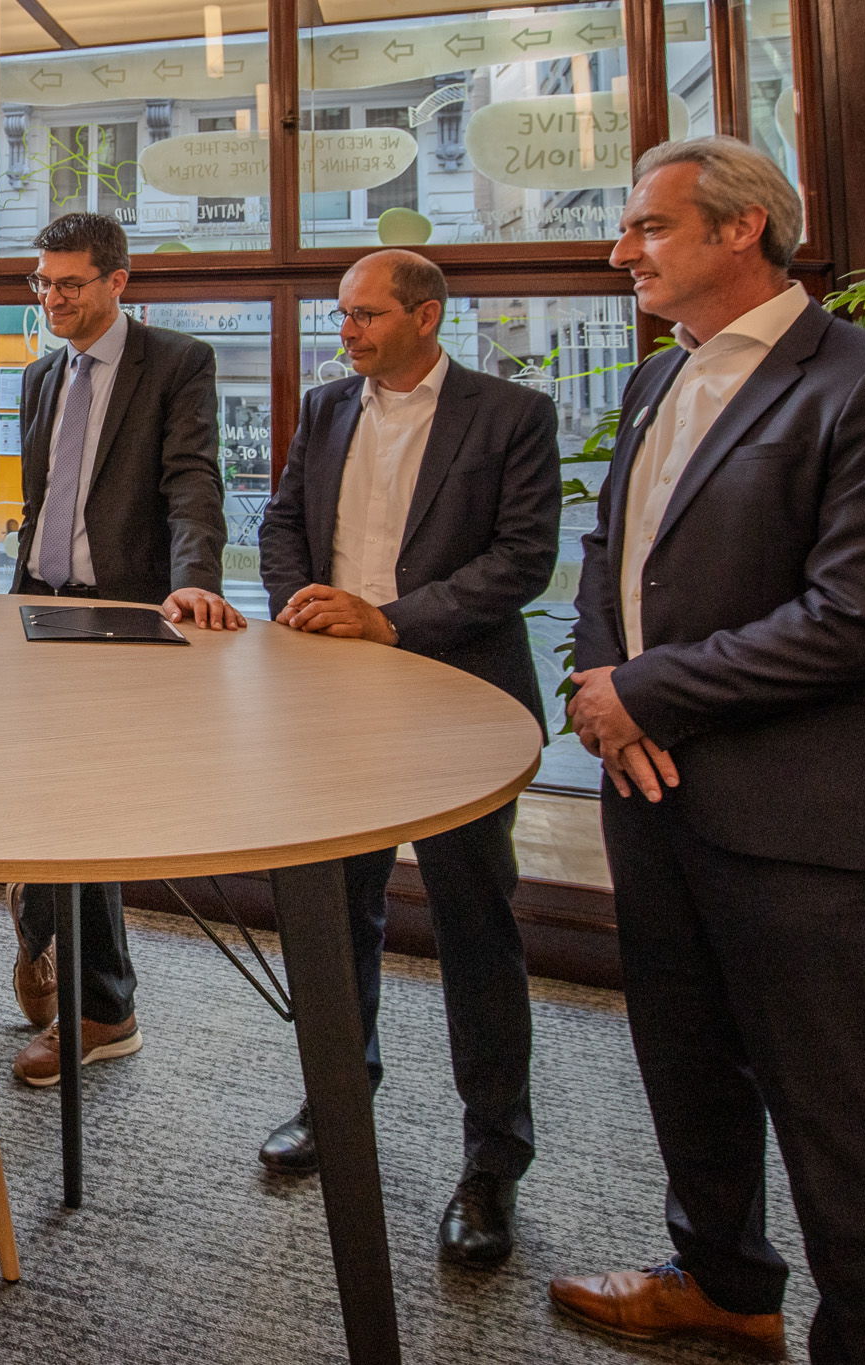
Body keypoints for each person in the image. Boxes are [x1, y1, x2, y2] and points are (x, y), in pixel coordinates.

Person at [551, 137, 865, 1363]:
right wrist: (591, 689)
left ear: (741, 230)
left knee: (846, 1126)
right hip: (651, 793)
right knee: (686, 1073)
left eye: (647, 227)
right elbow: (611, 565)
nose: (620, 250)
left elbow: (860, 619)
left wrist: (646, 691)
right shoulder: (649, 381)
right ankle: (723, 1283)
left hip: (804, 817)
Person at [255, 249, 560, 1265]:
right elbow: (282, 524)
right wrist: (305, 607)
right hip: (332, 702)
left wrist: (383, 619)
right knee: (335, 913)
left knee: (475, 926)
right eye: (342, 316)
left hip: (458, 702)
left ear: (426, 317)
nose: (345, 332)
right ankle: (337, 1100)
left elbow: (519, 560)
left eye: (364, 316)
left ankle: (491, 1163)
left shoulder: (509, 415)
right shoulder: (329, 407)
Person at [4, 211, 243, 1087]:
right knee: (38, 790)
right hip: (37, 608)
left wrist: (196, 578)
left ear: (118, 282)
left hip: (123, 616)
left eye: (69, 283)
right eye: (43, 282)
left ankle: (103, 1005)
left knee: (88, 810)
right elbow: (42, 502)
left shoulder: (176, 363)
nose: (52, 298)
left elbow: (192, 480)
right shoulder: (39, 376)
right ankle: (42, 934)